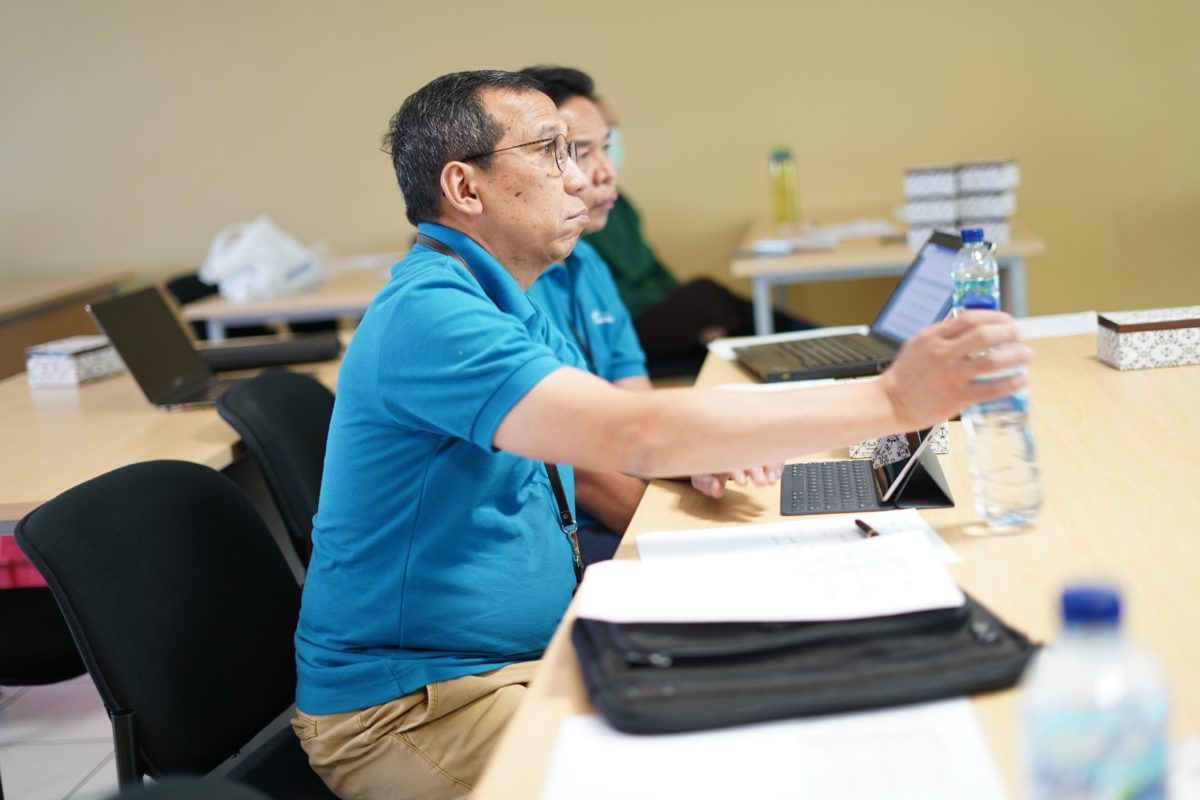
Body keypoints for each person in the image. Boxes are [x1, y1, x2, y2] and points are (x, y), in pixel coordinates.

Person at [292, 69, 1030, 800]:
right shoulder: (430, 314)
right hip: (418, 708)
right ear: (465, 186)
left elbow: (601, 426)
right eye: (550, 151)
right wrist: (893, 398)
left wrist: (695, 454)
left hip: (524, 659)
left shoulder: (509, 300)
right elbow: (631, 432)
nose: (578, 176)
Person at [583, 107, 804, 374]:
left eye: (609, 136)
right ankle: (808, 339)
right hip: (629, 324)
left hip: (658, 311)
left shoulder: (618, 201)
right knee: (706, 297)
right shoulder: (585, 219)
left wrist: (683, 311)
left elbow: (653, 269)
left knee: (713, 306)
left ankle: (807, 344)